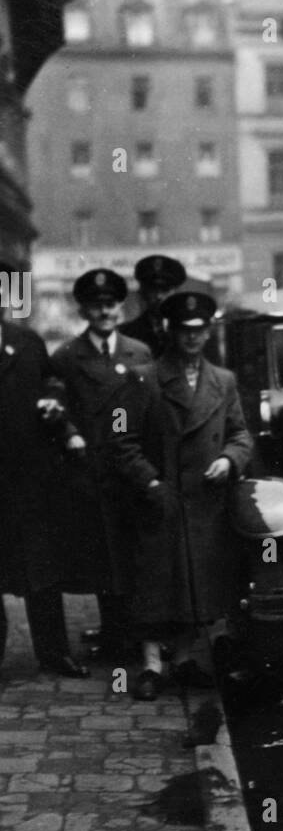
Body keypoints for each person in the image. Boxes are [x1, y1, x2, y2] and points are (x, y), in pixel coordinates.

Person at [111, 289, 252, 701]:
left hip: (205, 501)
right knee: (157, 585)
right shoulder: (143, 378)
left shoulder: (223, 381)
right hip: (162, 500)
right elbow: (122, 441)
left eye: (199, 330)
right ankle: (152, 666)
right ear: (170, 332)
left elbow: (240, 432)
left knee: (198, 584)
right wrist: (151, 483)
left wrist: (229, 459)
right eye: (184, 331)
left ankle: (188, 660)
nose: (192, 338)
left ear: (208, 332)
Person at [50, 268, 153, 660]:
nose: (104, 312)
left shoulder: (138, 352)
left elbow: (147, 409)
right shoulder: (67, 356)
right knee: (102, 554)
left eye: (110, 305)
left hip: (130, 465)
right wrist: (69, 433)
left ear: (120, 308)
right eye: (96, 306)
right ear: (84, 311)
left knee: (132, 551)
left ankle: (134, 631)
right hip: (91, 470)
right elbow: (57, 405)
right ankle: (114, 634)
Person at [0, 261, 89, 677]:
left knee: (42, 571)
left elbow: (52, 384)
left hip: (30, 480)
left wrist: (54, 404)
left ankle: (54, 653)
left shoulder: (28, 342)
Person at [119, 254, 186, 358]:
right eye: (153, 290)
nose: (159, 296)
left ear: (176, 293)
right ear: (142, 293)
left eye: (165, 290)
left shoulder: (193, 331)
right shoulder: (125, 334)